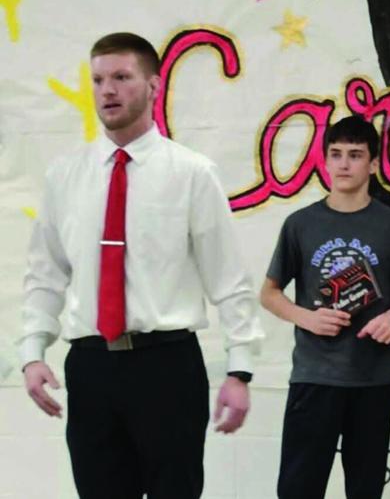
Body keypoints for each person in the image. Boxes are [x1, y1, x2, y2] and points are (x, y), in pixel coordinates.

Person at [19, 32, 263, 498]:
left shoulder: (191, 173)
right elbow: (45, 272)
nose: (107, 90)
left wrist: (240, 369)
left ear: (153, 86)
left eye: (121, 77)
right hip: (91, 365)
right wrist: (33, 351)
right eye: (98, 80)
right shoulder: (65, 175)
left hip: (166, 365)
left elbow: (228, 276)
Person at [260, 115, 390, 499]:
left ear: (373, 164)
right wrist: (307, 317)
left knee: (365, 490)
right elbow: (269, 293)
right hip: (314, 377)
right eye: (335, 154)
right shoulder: (301, 224)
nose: (344, 164)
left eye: (355, 155)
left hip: (373, 379)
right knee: (298, 489)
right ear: (325, 160)